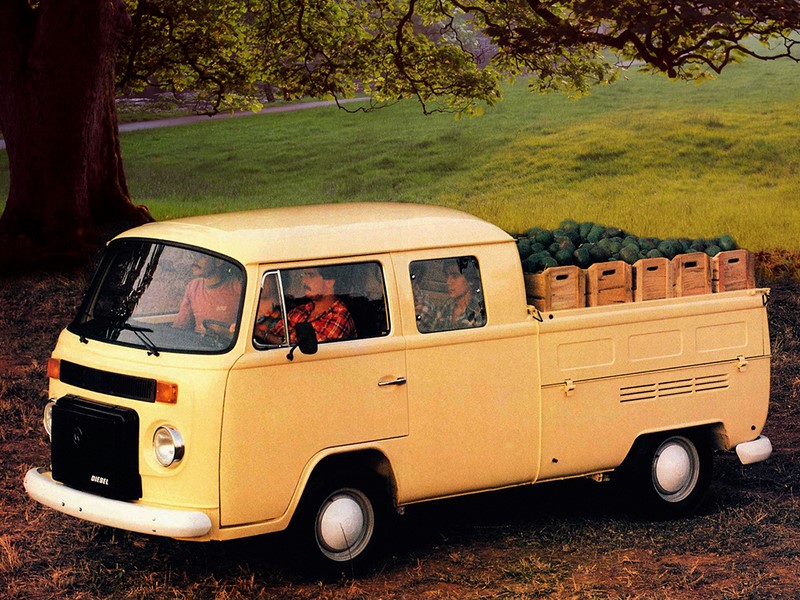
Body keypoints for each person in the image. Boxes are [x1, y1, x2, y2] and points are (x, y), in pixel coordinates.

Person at [267, 266, 356, 345]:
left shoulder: (340, 317)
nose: (304, 281)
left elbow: (310, 347)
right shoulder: (302, 310)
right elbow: (275, 332)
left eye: (311, 275)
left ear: (329, 282)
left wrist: (269, 336)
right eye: (304, 275)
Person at [173, 254, 242, 337]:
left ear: (218, 261)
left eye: (201, 256)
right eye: (193, 256)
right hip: (199, 342)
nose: (194, 261)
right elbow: (181, 324)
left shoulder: (237, 286)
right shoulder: (193, 286)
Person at [430, 258, 485, 331]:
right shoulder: (445, 307)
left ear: (470, 280)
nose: (448, 282)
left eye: (455, 276)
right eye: (447, 276)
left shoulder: (479, 312)